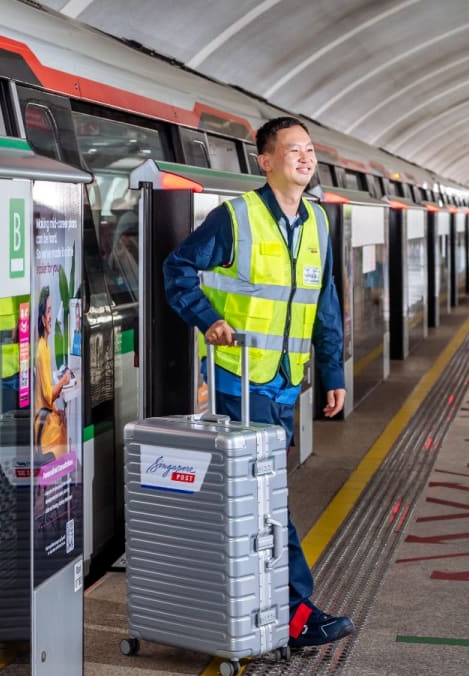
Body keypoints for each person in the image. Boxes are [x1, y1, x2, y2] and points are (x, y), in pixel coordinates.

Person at [162, 116, 353, 649]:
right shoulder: (235, 218)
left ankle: (241, 603)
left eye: (310, 149)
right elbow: (176, 268)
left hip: (285, 385)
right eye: (294, 150)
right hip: (237, 383)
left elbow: (325, 304)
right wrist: (209, 320)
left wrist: (332, 372)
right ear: (265, 161)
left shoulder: (317, 223)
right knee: (266, 500)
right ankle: (295, 613)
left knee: (256, 498)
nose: (306, 158)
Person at [33, 287, 71, 460]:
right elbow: (48, 396)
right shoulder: (42, 349)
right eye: (48, 311)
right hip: (44, 425)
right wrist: (64, 380)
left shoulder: (44, 345)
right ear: (42, 318)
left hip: (45, 416)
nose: (50, 316)